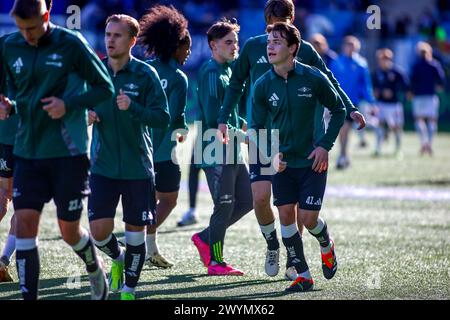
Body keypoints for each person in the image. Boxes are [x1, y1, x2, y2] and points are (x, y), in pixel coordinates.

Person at [217, 0, 364, 280]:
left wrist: (351, 107)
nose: (274, 34)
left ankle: (294, 263)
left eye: (281, 26)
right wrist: (224, 117)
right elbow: (236, 84)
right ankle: (273, 245)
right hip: (262, 137)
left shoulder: (304, 50)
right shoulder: (251, 47)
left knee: (294, 209)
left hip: (296, 139)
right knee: (261, 198)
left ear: (293, 22)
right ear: (265, 23)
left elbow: (328, 81)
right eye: (270, 27)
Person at [0, 0, 115, 300]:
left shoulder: (71, 43)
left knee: (69, 231)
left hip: (69, 153)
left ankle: (94, 270)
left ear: (47, 17)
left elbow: (105, 88)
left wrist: (69, 105)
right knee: (25, 224)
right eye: (21, 28)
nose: (27, 35)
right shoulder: (9, 45)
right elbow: (7, 90)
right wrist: (6, 105)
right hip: (27, 150)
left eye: (33, 28)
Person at [252, 22, 345, 292]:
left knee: (308, 219)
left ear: (293, 48)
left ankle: (326, 243)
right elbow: (256, 128)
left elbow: (338, 110)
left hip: (313, 161)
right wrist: (271, 155)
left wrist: (325, 145)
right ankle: (303, 275)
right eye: (269, 41)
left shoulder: (313, 77)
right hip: (283, 165)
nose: (270, 46)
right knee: (285, 218)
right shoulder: (262, 85)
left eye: (277, 41)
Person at [87, 14, 170, 300]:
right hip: (102, 166)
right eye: (108, 35)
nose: (110, 40)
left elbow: (163, 118)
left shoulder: (146, 75)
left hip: (137, 168)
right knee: (98, 232)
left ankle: (128, 290)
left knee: (136, 232)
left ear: (132, 41)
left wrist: (133, 107)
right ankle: (118, 257)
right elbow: (75, 107)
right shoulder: (95, 71)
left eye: (117, 35)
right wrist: (85, 115)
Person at [191, 18, 253, 276]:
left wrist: (243, 126)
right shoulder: (210, 72)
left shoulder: (229, 70)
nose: (234, 46)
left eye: (236, 42)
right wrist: (243, 133)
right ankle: (216, 262)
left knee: (248, 200)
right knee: (225, 204)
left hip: (232, 148)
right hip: (215, 149)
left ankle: (205, 237)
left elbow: (232, 112)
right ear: (213, 45)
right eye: (228, 42)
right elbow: (215, 117)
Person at [138, 5, 190, 268]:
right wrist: (184, 130)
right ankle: (142, 241)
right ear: (174, 46)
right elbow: (176, 117)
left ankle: (149, 248)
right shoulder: (179, 78)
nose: (189, 52)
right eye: (186, 46)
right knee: (168, 200)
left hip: (140, 147)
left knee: (148, 199)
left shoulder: (144, 69)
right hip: (164, 150)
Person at [330, 35, 375, 169]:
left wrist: (371, 101)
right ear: (344, 47)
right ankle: (343, 156)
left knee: (346, 130)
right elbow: (330, 83)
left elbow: (366, 85)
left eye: (353, 47)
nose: (351, 49)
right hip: (338, 102)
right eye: (348, 46)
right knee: (343, 129)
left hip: (354, 103)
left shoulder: (361, 63)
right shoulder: (336, 62)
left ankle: (343, 156)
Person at [0, 32, 17, 283]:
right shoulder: (62, 43)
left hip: (5, 133)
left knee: (4, 195)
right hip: (38, 140)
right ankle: (4, 259)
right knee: (26, 203)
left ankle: (4, 260)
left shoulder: (5, 42)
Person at [409, 41, 445, 155]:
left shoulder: (417, 65)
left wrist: (410, 92)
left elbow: (411, 81)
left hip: (421, 96)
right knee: (431, 120)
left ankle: (425, 143)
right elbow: (441, 80)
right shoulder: (434, 64)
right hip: (428, 96)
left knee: (421, 120)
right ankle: (427, 143)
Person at [372, 48, 409, 157]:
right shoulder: (376, 72)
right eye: (382, 59)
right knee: (379, 125)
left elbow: (406, 87)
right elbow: (373, 88)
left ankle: (398, 150)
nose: (384, 61)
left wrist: (395, 93)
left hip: (394, 104)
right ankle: (378, 149)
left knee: (397, 127)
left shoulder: (397, 72)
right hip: (381, 104)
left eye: (386, 58)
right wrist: (377, 92)